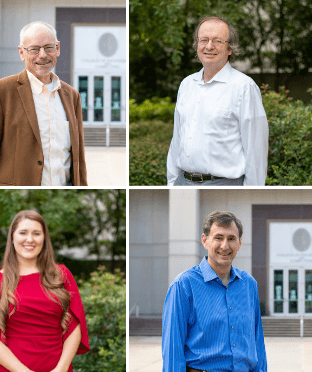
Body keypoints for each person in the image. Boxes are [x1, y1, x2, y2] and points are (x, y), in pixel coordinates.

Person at [0, 21, 87, 186]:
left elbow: (78, 160)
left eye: (49, 47)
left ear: (57, 48)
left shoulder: (71, 96)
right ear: (21, 53)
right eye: (34, 49)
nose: (43, 55)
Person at [0, 210, 90, 372]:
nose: (30, 239)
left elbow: (75, 325)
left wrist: (61, 369)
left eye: (36, 233)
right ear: (12, 238)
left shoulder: (62, 275)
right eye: (23, 233)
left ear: (44, 238)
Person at [167, 16, 268, 186]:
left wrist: (252, 192)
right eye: (204, 40)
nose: (209, 46)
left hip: (225, 185)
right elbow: (176, 140)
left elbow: (256, 151)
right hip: (182, 183)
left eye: (217, 41)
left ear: (230, 48)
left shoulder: (244, 88)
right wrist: (172, 183)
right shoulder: (186, 85)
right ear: (196, 45)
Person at [162, 211, 267, 372]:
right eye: (218, 238)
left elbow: (257, 343)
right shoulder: (183, 285)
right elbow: (173, 351)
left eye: (231, 239)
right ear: (205, 241)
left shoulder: (249, 285)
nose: (225, 246)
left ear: (239, 243)